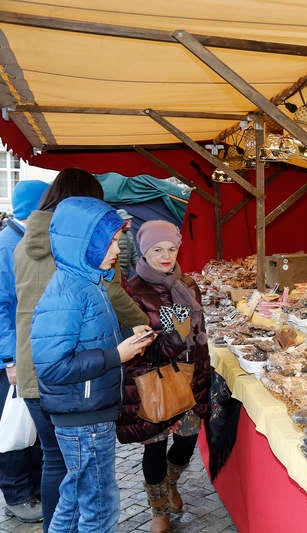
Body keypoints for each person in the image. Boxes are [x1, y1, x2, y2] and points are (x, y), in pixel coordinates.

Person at [14, 167, 149, 532]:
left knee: (69, 483)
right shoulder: (75, 285)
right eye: (110, 242)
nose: (118, 250)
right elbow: (56, 363)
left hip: (68, 391)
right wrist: (115, 355)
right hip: (78, 399)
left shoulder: (79, 274)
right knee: (96, 502)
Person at [117, 220, 211, 533]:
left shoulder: (187, 285)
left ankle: (171, 482)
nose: (166, 256)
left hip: (188, 378)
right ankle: (159, 511)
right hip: (153, 380)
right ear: (145, 251)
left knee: (186, 442)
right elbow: (146, 344)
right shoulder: (133, 290)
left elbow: (198, 337)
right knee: (154, 447)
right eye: (157, 249)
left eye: (171, 248)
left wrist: (202, 371)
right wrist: (172, 332)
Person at [0, 180, 49, 524]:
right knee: (14, 426)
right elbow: (2, 306)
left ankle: (31, 488)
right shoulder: (7, 244)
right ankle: (17, 494)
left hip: (33, 350)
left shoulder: (28, 240)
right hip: (15, 356)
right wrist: (9, 359)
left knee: (33, 425)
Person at [116, 209, 139, 278]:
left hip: (126, 274)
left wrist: (140, 270)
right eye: (126, 219)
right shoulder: (113, 235)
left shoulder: (129, 235)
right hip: (116, 274)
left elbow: (134, 255)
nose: (129, 221)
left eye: (129, 219)